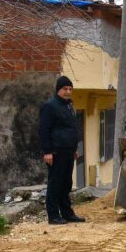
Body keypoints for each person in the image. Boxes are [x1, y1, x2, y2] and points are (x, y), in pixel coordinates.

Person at [39, 76, 85, 225]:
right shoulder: (50, 106)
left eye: (70, 89)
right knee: (55, 184)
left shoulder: (68, 106)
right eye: (65, 89)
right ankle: (53, 216)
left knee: (66, 184)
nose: (68, 92)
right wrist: (47, 151)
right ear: (58, 89)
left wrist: (74, 149)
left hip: (68, 152)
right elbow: (44, 130)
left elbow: (72, 129)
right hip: (56, 153)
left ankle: (67, 213)